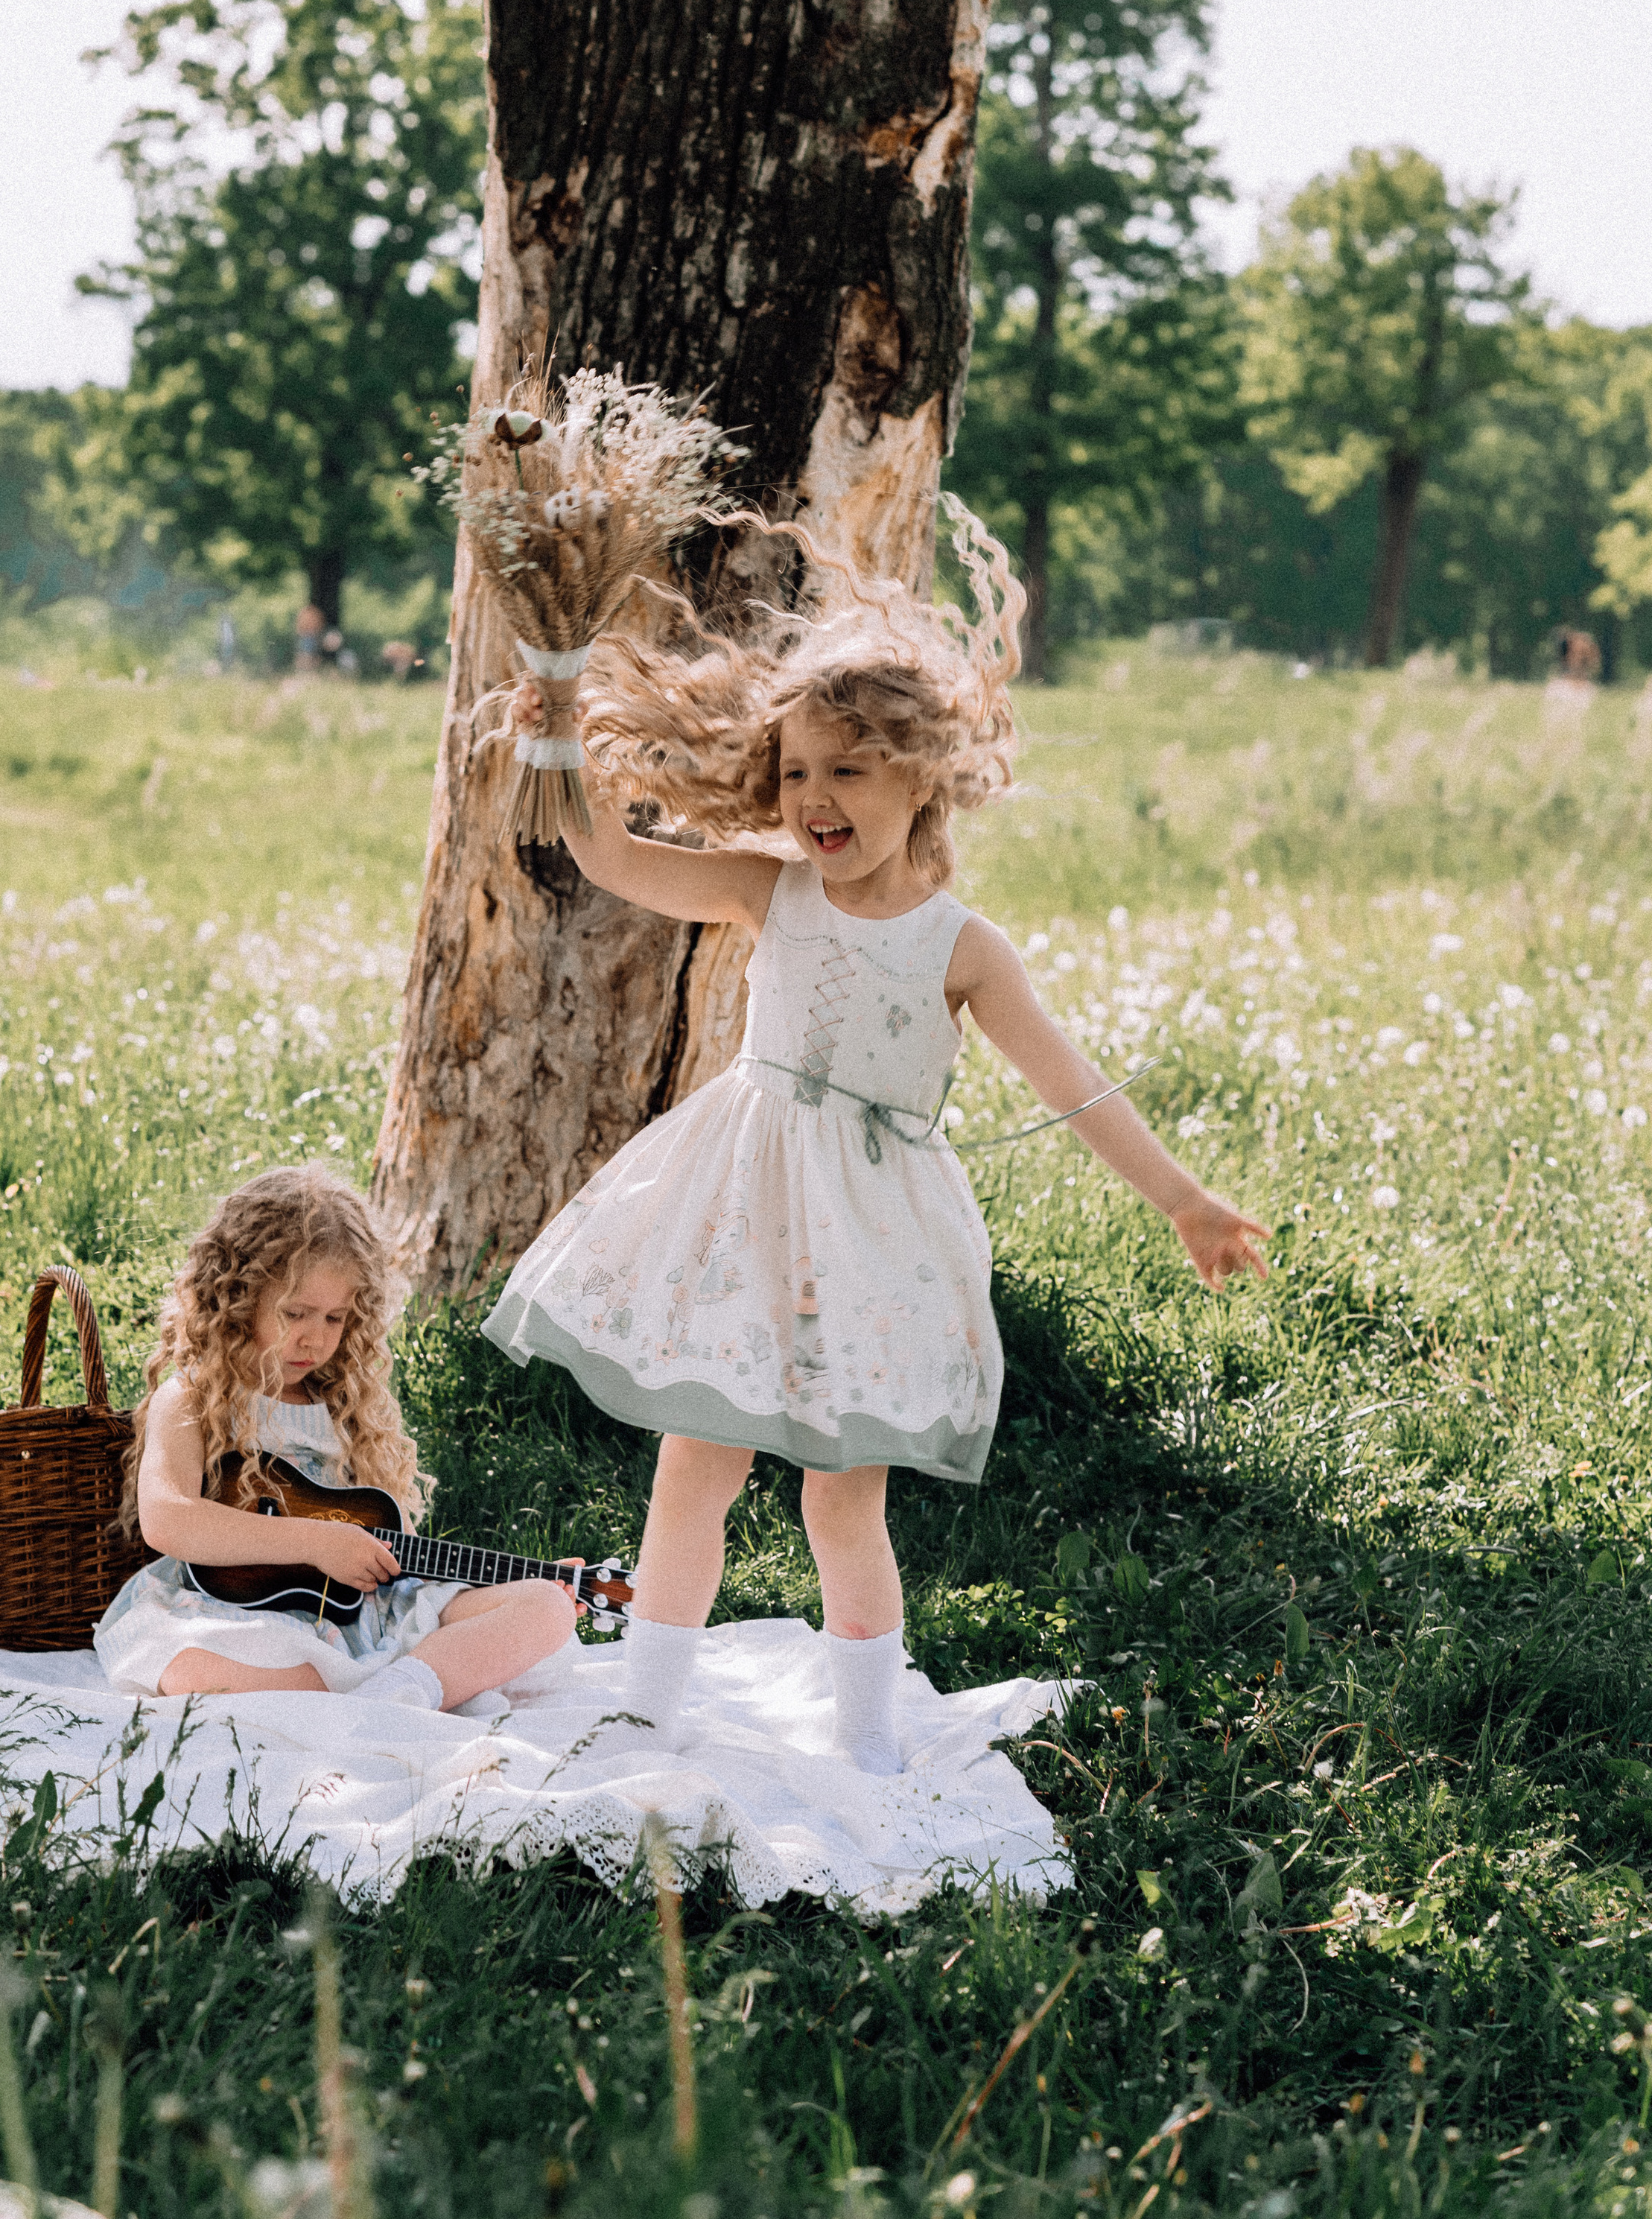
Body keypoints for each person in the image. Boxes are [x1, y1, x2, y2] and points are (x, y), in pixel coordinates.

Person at [489, 513, 1269, 1774]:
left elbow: (1075, 1086)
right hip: (743, 1200)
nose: (814, 800)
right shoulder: (769, 884)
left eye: (847, 771)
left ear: (923, 777)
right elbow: (604, 850)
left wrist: (1183, 1198)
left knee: (840, 1490)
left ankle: (869, 1731)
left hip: (868, 1234)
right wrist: (558, 724)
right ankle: (648, 1704)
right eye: (796, 772)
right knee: (698, 1458)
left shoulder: (965, 943)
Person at [96, 1163, 579, 1707]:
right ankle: (397, 1686)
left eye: (334, 1318)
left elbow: (378, 1554)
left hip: (358, 1619)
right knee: (188, 1667)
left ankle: (401, 1691)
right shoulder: (192, 1398)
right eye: (295, 1313)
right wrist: (316, 1543)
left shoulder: (343, 1405)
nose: (314, 1338)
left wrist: (506, 1581)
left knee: (548, 1606)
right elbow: (168, 1519)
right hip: (237, 1616)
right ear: (235, 1297)